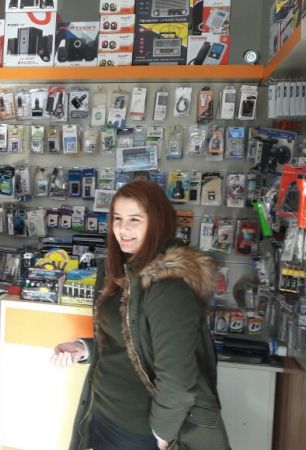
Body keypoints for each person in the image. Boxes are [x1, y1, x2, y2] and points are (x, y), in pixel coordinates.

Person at [51, 180, 230, 450]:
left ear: (157, 221)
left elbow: (177, 378)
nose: (123, 228)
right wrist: (84, 349)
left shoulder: (168, 284)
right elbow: (129, 342)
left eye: (135, 219)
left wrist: (163, 431)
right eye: (117, 218)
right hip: (102, 410)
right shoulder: (122, 269)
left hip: (137, 430)